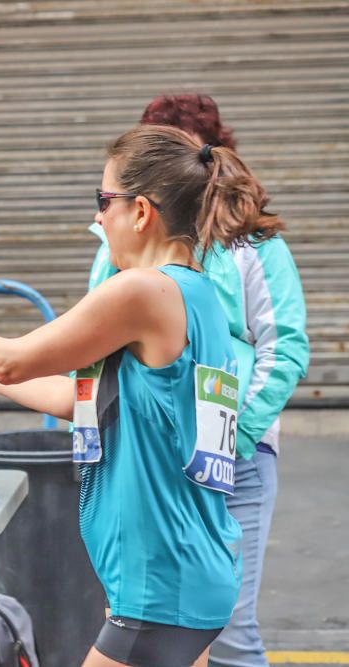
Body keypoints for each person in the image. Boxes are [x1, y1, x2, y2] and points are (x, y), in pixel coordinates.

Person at [0, 125, 285, 667]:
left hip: (161, 580)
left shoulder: (142, 291)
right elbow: (82, 401)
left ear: (140, 211)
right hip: (186, 568)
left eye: (103, 200)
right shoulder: (198, 294)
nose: (96, 217)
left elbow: (15, 356)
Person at [88, 94, 309, 667]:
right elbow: (89, 342)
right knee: (164, 632)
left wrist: (230, 438)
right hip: (148, 466)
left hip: (231, 461)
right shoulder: (120, 247)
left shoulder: (254, 245)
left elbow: (285, 348)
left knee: (226, 632)